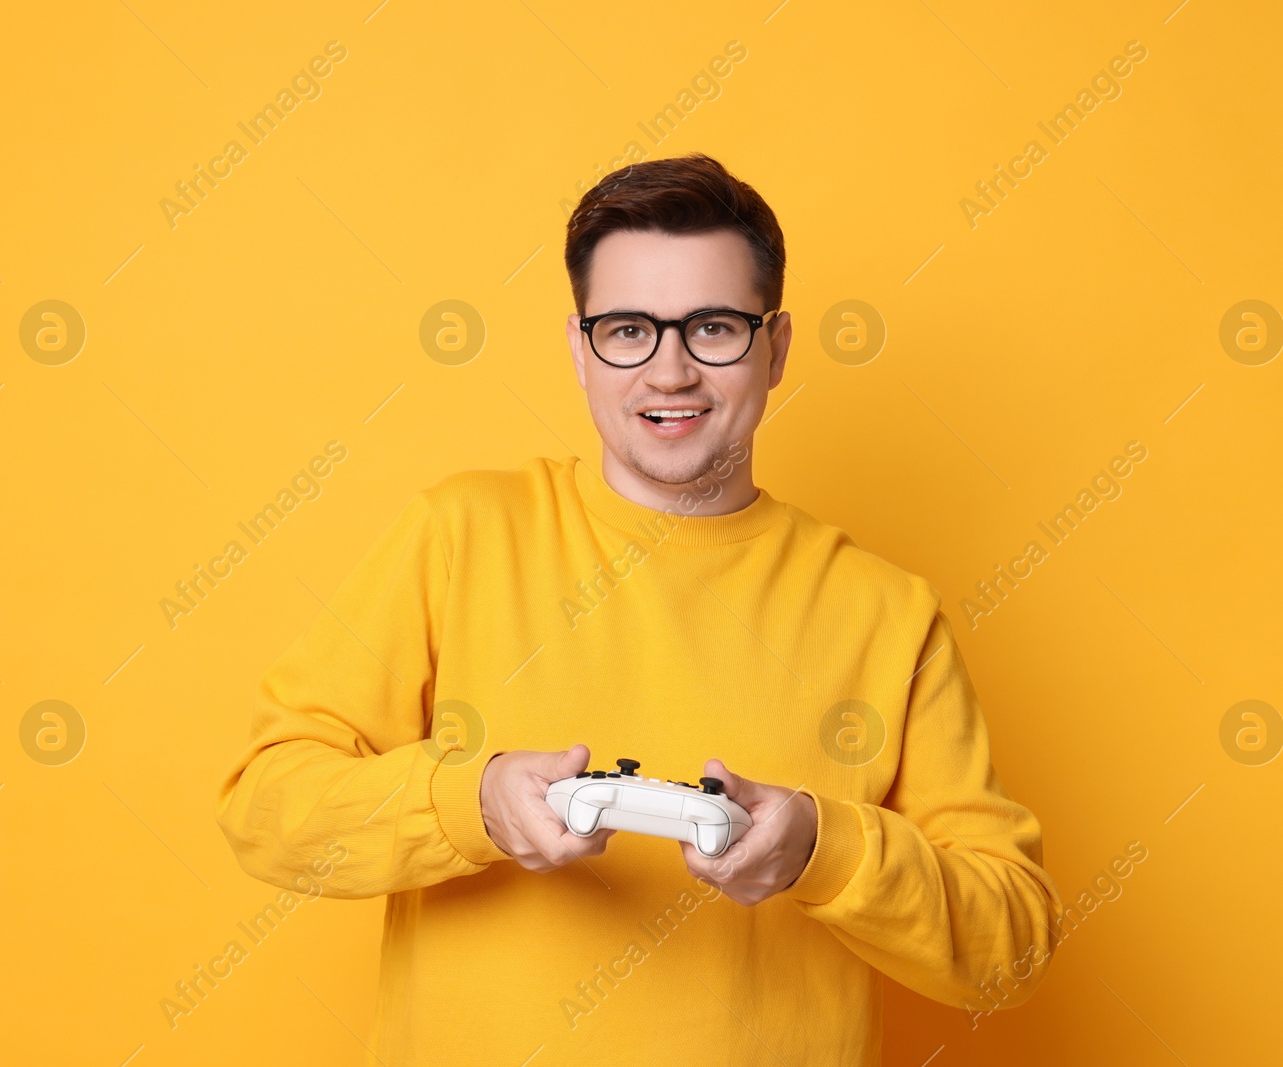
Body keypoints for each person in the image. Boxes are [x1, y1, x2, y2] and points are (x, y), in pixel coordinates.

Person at [216, 152, 1061, 1064]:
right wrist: (477, 805)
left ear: (775, 347)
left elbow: (1010, 953)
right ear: (580, 350)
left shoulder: (889, 614)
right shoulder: (461, 535)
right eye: (628, 330)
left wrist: (825, 850)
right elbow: (267, 806)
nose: (670, 372)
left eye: (712, 327)